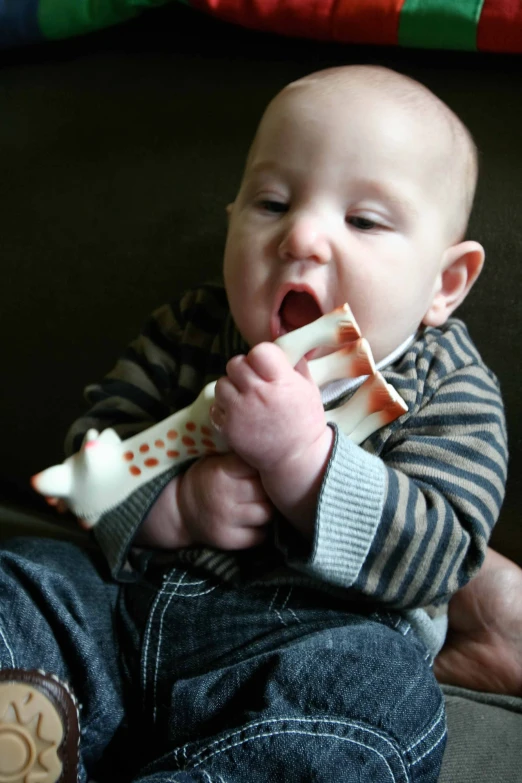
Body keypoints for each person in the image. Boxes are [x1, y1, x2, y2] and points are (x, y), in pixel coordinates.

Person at [0, 65, 510, 782]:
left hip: (311, 641)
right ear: (231, 218)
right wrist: (178, 506)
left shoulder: (448, 387)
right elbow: (90, 459)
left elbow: (442, 551)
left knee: (385, 695)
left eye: (362, 220)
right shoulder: (191, 329)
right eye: (272, 203)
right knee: (29, 575)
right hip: (123, 612)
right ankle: (29, 723)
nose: (301, 236)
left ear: (444, 283)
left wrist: (306, 462)